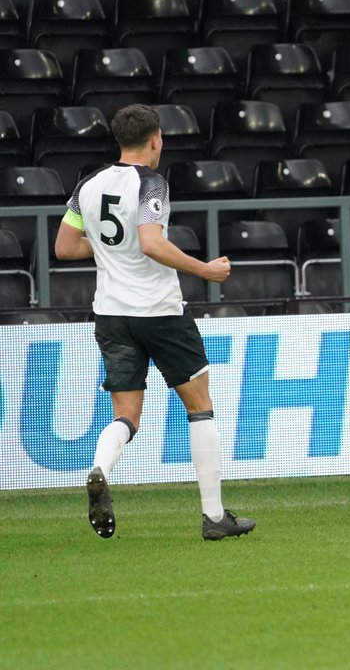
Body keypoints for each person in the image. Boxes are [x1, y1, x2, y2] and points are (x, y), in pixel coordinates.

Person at [54, 104, 255, 541]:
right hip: (159, 311)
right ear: (155, 139)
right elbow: (150, 242)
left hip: (111, 314)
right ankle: (215, 516)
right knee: (199, 406)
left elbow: (65, 247)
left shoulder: (87, 184)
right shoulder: (152, 182)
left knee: (126, 414)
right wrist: (204, 270)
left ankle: (99, 468)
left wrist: (112, 249)